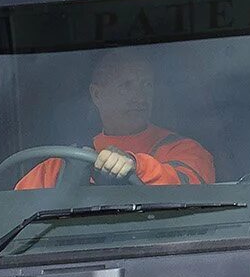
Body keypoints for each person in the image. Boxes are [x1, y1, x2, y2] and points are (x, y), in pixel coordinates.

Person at [15, 49, 216, 189]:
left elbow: (194, 191)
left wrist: (135, 166)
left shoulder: (183, 149)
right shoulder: (66, 164)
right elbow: (14, 209)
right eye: (126, 86)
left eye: (147, 85)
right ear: (97, 95)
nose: (140, 97)